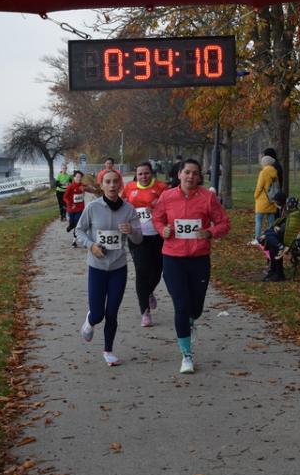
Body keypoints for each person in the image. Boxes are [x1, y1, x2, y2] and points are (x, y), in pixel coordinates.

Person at [151, 158, 230, 374]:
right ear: (179, 174)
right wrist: (163, 230)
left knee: (195, 308)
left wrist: (209, 232)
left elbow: (224, 223)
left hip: (199, 259)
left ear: (199, 176)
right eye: (187, 172)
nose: (190, 176)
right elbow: (157, 219)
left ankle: (191, 320)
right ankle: (186, 355)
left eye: (195, 173)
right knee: (181, 305)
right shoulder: (167, 196)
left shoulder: (208, 197)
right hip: (173, 258)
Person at [76, 169, 143, 366]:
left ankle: (108, 351)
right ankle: (90, 320)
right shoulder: (93, 207)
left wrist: (132, 231)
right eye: (108, 182)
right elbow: (79, 231)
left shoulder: (129, 209)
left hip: (118, 268)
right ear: (102, 185)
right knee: (98, 314)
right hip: (97, 267)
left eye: (115, 181)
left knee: (112, 312)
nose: (112, 185)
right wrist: (91, 246)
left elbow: (138, 239)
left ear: (120, 184)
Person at [122, 161, 168, 327]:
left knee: (157, 270)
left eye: (146, 173)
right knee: (141, 271)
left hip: (158, 236)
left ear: (151, 173)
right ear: (136, 175)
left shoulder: (162, 188)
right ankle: (145, 312)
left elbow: (170, 209)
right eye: (140, 174)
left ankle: (149, 292)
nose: (143, 176)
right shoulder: (129, 188)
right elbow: (121, 206)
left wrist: (155, 211)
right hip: (137, 237)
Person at [252, 150, 281, 245]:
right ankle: (270, 238)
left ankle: (257, 239)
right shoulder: (275, 172)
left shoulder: (263, 173)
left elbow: (259, 187)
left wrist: (255, 195)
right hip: (271, 200)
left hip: (262, 200)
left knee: (259, 220)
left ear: (264, 163)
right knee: (271, 221)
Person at [62, 170, 87, 247]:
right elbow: (65, 197)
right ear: (74, 177)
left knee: (77, 224)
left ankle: (74, 241)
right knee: (72, 223)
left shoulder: (83, 186)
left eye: (80, 177)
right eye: (77, 177)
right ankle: (70, 226)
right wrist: (71, 204)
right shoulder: (70, 187)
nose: (79, 178)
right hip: (71, 208)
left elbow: (89, 189)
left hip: (80, 208)